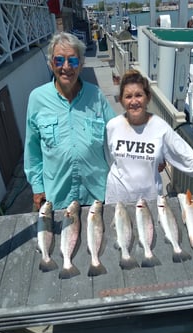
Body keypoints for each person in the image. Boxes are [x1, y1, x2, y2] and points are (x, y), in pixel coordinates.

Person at [104, 69, 193, 204]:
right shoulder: (112, 126)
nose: (134, 101)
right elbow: (110, 159)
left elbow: (187, 158)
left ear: (148, 98)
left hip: (148, 202)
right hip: (117, 200)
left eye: (138, 95)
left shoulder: (160, 128)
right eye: (128, 96)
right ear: (121, 101)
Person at [24, 32, 116, 211]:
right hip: (57, 200)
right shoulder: (37, 99)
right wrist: (37, 187)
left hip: (97, 197)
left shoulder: (96, 95)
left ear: (81, 65)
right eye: (59, 60)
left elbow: (118, 135)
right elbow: (32, 149)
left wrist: (149, 158)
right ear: (51, 64)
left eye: (73, 61)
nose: (66, 67)